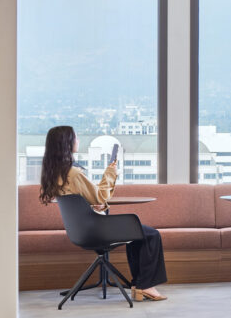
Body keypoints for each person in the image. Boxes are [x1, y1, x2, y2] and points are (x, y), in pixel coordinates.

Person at [37, 126, 169, 301]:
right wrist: (110, 173)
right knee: (151, 235)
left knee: (138, 234)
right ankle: (145, 286)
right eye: (75, 138)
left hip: (80, 230)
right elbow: (99, 196)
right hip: (95, 229)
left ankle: (140, 286)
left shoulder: (55, 173)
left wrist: (93, 204)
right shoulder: (73, 173)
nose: (78, 141)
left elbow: (85, 200)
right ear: (67, 143)